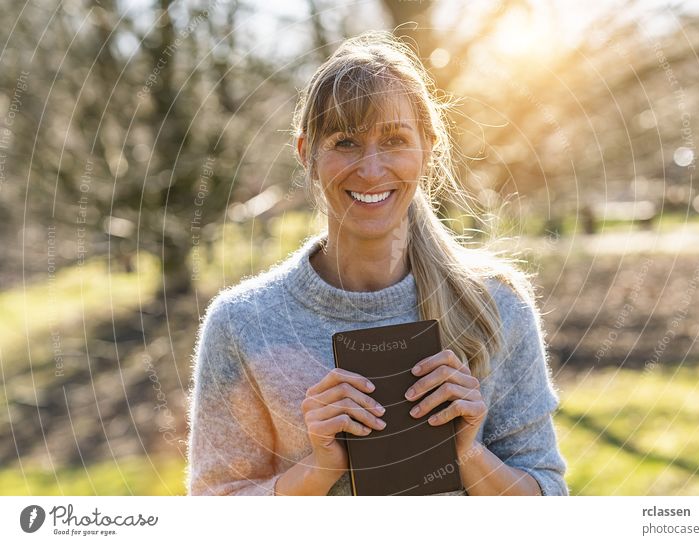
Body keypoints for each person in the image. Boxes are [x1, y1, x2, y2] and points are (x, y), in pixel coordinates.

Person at [186, 30, 568, 496]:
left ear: (427, 150)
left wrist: (468, 453)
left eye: (394, 140)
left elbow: (549, 502)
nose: (370, 169)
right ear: (307, 153)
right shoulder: (242, 322)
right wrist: (319, 467)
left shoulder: (496, 306)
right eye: (345, 141)